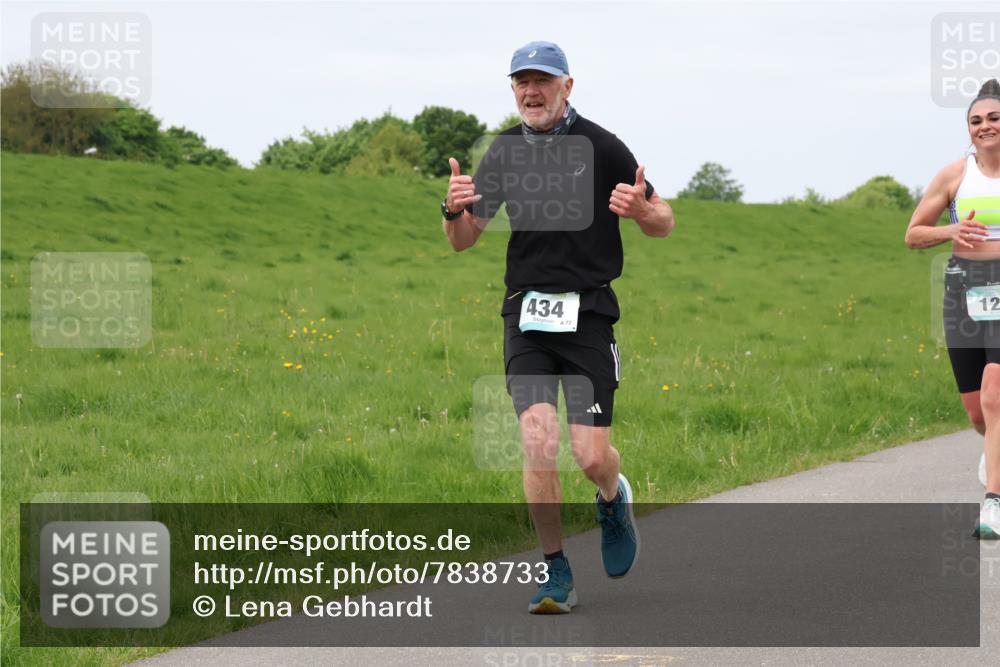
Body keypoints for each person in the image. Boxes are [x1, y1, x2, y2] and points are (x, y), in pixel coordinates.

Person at [440, 41, 674, 612]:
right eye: (520, 81)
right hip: (526, 313)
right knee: (537, 441)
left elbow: (664, 220)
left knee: (591, 456)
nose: (530, 90)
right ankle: (555, 571)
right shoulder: (503, 153)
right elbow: (465, 239)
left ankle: (612, 496)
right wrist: (452, 211)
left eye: (542, 79)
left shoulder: (601, 145)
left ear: (568, 85)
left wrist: (643, 212)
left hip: (589, 314)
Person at [904, 78, 1000, 538]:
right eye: (976, 120)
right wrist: (950, 233)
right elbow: (913, 235)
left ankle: (994, 505)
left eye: (994, 118)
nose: (985, 126)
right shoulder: (954, 175)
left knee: (994, 396)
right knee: (978, 415)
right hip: (964, 290)